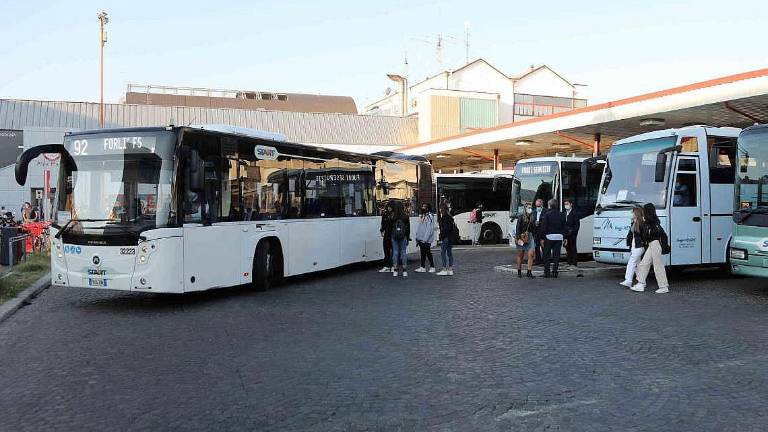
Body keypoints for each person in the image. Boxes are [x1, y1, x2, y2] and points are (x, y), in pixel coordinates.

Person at [631, 203, 670, 294]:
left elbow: (656, 234)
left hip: (655, 244)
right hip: (652, 244)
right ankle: (640, 284)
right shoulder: (652, 221)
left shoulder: (651, 222)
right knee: (644, 263)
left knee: (658, 266)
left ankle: (663, 286)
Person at [620, 206, 646, 288]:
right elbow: (631, 236)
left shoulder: (641, 223)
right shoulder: (634, 222)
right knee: (637, 264)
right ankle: (642, 282)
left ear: (636, 213)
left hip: (639, 246)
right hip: (634, 245)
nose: (631, 214)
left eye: (632, 212)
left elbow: (643, 236)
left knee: (632, 262)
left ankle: (628, 280)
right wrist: (631, 246)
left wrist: (643, 244)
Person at [540, 199, 565, 278]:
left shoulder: (547, 215)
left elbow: (544, 227)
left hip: (549, 236)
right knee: (556, 255)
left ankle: (547, 272)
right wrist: (564, 237)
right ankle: (555, 272)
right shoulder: (562, 214)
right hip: (559, 237)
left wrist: (542, 238)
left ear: (550, 205)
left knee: (546, 255)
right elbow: (564, 227)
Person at [514, 202, 536, 278]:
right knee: (520, 255)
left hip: (530, 236)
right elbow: (518, 228)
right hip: (521, 236)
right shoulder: (521, 217)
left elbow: (533, 229)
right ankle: (519, 271)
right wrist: (518, 238)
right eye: (528, 208)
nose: (530, 209)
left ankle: (529, 272)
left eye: (531, 208)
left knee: (531, 253)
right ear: (525, 209)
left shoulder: (533, 217)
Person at [390, 201, 411, 277]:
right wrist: (408, 237)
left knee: (395, 252)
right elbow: (408, 229)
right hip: (403, 236)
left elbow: (390, 228)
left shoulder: (392, 216)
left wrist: (390, 237)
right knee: (403, 252)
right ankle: (404, 271)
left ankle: (395, 270)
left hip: (394, 236)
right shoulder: (405, 216)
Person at [414, 203, 436, 273]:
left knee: (428, 252)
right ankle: (422, 267)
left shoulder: (429, 216)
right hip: (421, 238)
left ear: (428, 208)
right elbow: (420, 227)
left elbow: (429, 229)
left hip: (426, 239)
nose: (423, 207)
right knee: (422, 253)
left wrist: (425, 239)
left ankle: (432, 267)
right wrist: (418, 237)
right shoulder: (423, 216)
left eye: (424, 206)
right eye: (422, 206)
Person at [436, 203, 455, 276]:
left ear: (442, 209)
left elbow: (444, 229)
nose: (440, 210)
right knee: (449, 253)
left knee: (443, 252)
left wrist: (441, 236)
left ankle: (444, 269)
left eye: (440, 208)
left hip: (446, 237)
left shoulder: (444, 217)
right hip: (450, 237)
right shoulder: (450, 216)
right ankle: (450, 269)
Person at [563, 199, 580, 267]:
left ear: (571, 204)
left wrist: (574, 232)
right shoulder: (564, 213)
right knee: (567, 248)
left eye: (567, 204)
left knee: (573, 248)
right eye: (565, 204)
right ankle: (569, 262)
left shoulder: (574, 213)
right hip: (566, 234)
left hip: (572, 234)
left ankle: (574, 263)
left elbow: (577, 224)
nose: (566, 205)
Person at [379, 202, 394, 273]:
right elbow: (383, 224)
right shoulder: (385, 214)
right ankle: (387, 266)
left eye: (390, 207)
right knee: (386, 250)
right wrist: (382, 230)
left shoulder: (395, 215)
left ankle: (393, 266)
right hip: (387, 234)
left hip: (393, 235)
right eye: (388, 207)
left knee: (394, 251)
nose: (389, 208)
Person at [532, 198, 546, 265]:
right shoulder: (534, 212)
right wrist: (534, 223)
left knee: (543, 247)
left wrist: (539, 223)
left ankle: (544, 261)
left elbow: (546, 221)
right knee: (536, 247)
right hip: (536, 232)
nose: (537, 207)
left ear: (542, 204)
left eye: (539, 206)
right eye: (536, 206)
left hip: (543, 232)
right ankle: (538, 260)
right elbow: (531, 220)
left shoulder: (546, 211)